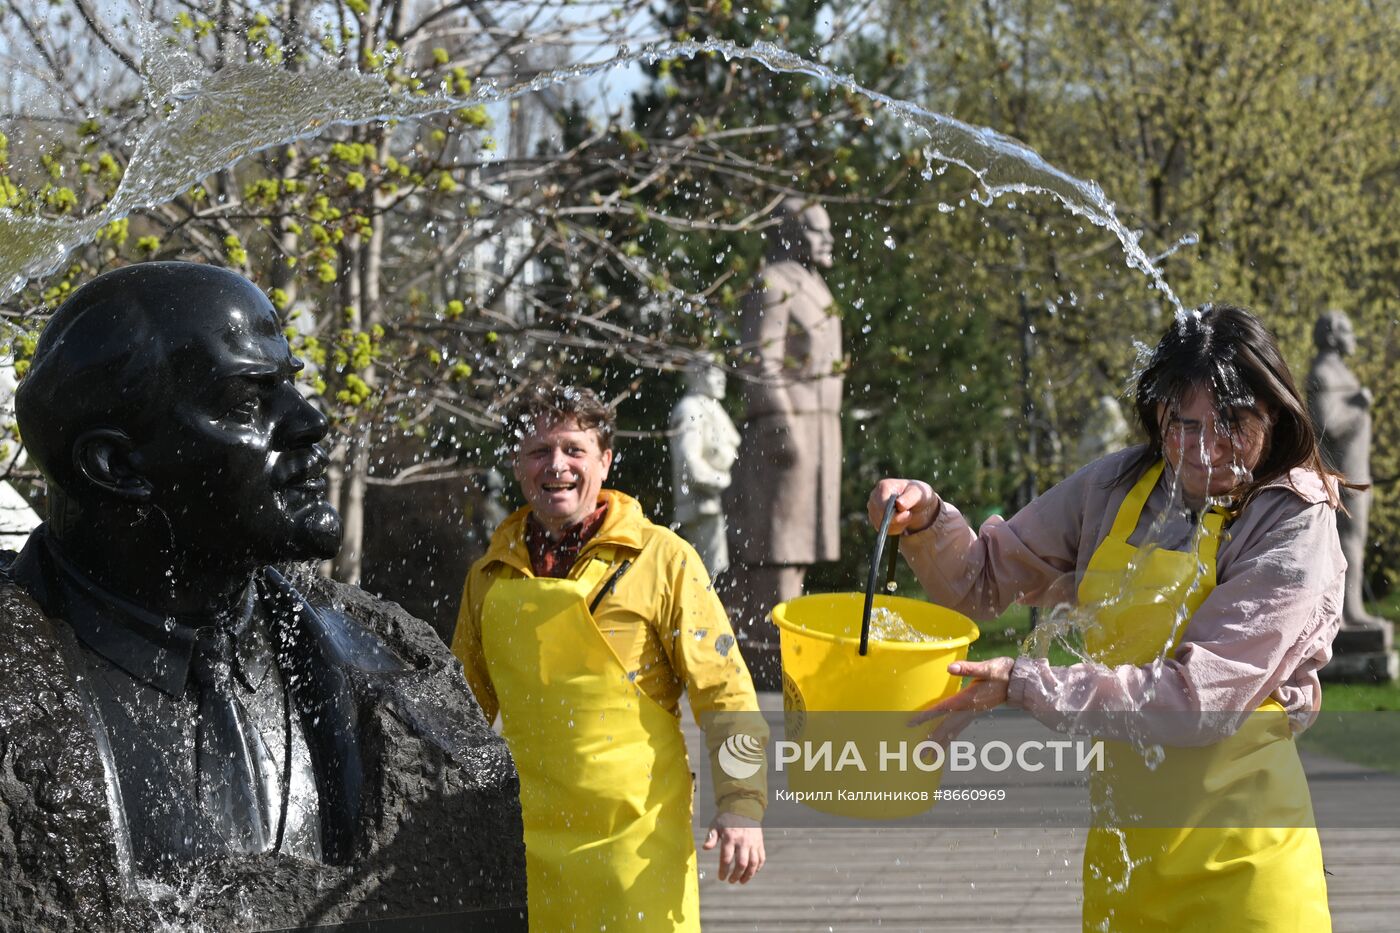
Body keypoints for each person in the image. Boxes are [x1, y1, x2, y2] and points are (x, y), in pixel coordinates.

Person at [1, 261, 524, 930]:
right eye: (250, 396)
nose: (310, 421)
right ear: (117, 464)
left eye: (291, 383)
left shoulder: (390, 669)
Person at [870, 304, 1342, 932]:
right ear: (1157, 413)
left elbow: (1196, 702)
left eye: (1231, 422)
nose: (1202, 449)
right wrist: (928, 519)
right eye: (1183, 423)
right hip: (1125, 864)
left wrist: (1027, 683)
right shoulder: (1116, 485)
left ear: (1273, 411)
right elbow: (979, 584)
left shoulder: (1293, 518)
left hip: (1245, 869)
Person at [453, 384, 767, 931]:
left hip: (638, 841)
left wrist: (742, 805)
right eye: (538, 451)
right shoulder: (487, 577)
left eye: (574, 449)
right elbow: (456, 718)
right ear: (517, 464)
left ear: (605, 460)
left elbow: (726, 694)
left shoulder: (665, 559)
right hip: (526, 844)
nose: (557, 466)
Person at [725, 196, 843, 685]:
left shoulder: (813, 285)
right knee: (777, 543)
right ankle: (764, 645)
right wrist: (780, 425)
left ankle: (784, 638)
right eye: (817, 230)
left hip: (820, 427)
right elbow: (757, 359)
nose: (828, 239)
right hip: (786, 428)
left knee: (800, 545)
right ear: (791, 233)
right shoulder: (772, 284)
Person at [670, 358, 741, 575]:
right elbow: (689, 464)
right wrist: (725, 481)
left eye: (723, 373)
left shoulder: (710, 406)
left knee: (716, 575)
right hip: (701, 508)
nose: (722, 379)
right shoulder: (690, 409)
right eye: (714, 373)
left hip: (716, 506)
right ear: (694, 374)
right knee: (705, 576)